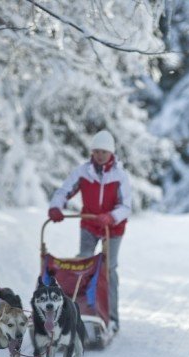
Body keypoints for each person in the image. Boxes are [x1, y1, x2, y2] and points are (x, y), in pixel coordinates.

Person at [47, 130, 131, 334]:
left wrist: (111, 217)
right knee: (83, 262)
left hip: (113, 227)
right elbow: (64, 191)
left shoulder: (120, 176)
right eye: (96, 151)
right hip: (90, 224)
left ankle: (111, 318)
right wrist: (56, 207)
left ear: (111, 153)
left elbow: (126, 206)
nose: (100, 155)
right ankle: (81, 309)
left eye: (104, 152)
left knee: (108, 269)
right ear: (91, 152)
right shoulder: (83, 172)